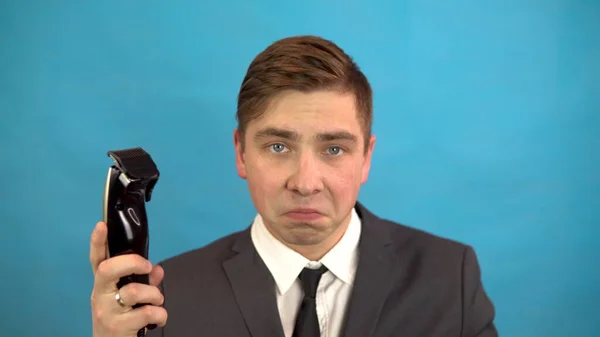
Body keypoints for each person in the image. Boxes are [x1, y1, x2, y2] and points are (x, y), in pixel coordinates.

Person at [89, 35, 498, 337]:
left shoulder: (451, 278)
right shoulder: (164, 297)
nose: (305, 183)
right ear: (241, 153)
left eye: (334, 149)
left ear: (366, 158)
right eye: (278, 145)